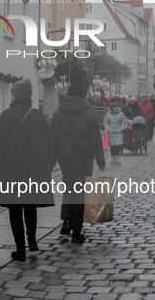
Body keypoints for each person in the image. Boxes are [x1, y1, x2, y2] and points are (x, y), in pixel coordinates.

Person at [0, 78, 54, 260]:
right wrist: (48, 165)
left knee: (15, 209)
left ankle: (20, 250)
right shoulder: (38, 115)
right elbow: (49, 145)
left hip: (12, 171)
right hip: (34, 171)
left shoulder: (7, 115)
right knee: (30, 206)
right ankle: (32, 241)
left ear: (16, 95)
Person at [51, 82, 105, 244]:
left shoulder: (58, 113)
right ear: (82, 96)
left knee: (68, 189)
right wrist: (101, 160)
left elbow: (52, 138)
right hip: (84, 159)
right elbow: (96, 140)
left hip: (65, 159)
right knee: (80, 193)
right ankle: (76, 232)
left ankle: (66, 222)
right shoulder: (89, 114)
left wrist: (53, 158)